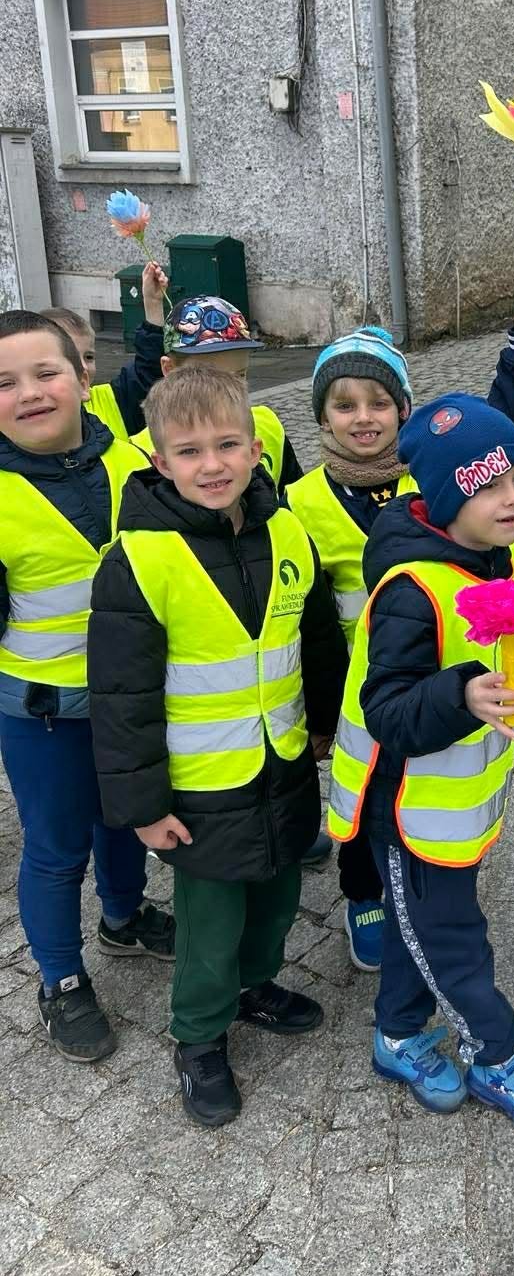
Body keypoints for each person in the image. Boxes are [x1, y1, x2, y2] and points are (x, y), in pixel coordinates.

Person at [88, 366, 348, 1127]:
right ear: (159, 461)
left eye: (228, 445)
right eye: (190, 450)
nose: (213, 464)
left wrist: (326, 721)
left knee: (278, 895)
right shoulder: (139, 560)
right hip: (201, 784)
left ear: (257, 450)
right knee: (211, 921)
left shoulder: (287, 531)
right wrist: (143, 807)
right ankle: (199, 1035)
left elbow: (315, 636)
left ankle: (254, 986)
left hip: (284, 761)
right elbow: (122, 699)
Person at [326, 393, 514, 1131]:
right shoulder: (412, 590)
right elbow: (388, 710)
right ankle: (496, 1055)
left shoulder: (492, 556)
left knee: (419, 929)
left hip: (449, 811)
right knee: (451, 938)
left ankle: (398, 1034)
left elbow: (493, 657)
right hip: (403, 811)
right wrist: (462, 695)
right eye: (489, 485)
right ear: (445, 498)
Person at [286, 282, 514, 970]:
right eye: (344, 405)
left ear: (403, 412)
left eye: (379, 403)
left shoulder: (426, 486)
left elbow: (494, 434)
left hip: (430, 675)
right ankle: (363, 896)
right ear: (321, 417)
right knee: (362, 800)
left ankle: (420, 889)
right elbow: (306, 619)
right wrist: (317, 707)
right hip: (357, 684)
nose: (363, 418)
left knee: (408, 796)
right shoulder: (301, 501)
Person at [0, 311, 175, 1065]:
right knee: (56, 846)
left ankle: (124, 917)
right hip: (45, 714)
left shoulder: (135, 461)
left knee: (123, 818)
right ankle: (61, 978)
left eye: (46, 372)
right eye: (5, 383)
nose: (30, 392)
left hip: (133, 701)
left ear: (81, 377)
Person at [128, 294, 302, 492]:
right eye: (207, 377)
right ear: (169, 369)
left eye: (239, 375)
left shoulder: (267, 425)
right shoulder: (136, 454)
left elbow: (291, 497)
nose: (226, 391)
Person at [41, 260, 170, 440]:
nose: (82, 366)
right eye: (70, 357)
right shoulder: (27, 417)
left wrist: (153, 303)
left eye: (88, 357)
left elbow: (148, 372)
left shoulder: (112, 399)